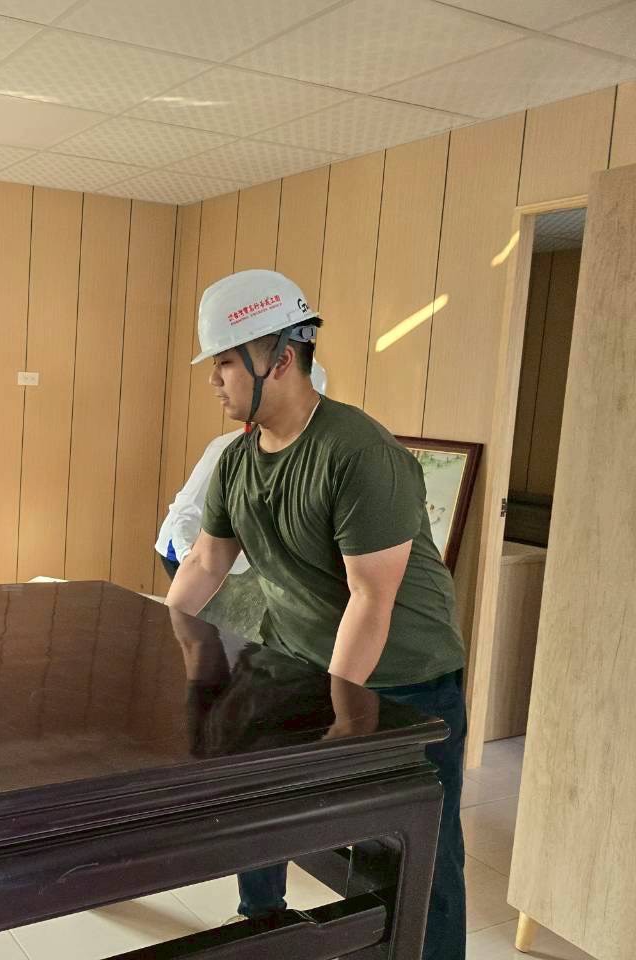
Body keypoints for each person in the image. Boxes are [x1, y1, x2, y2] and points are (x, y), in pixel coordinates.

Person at [165, 269, 468, 960]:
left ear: (277, 358)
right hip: (298, 658)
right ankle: (262, 921)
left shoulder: (357, 451)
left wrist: (342, 729)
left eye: (224, 362)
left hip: (404, 677)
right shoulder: (238, 460)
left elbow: (371, 597)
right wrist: (165, 641)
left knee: (415, 849)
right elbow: (206, 563)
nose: (214, 380)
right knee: (259, 799)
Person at [156, 359, 327, 582]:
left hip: (236, 557)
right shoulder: (227, 450)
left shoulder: (308, 453)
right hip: (184, 548)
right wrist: (191, 561)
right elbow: (187, 510)